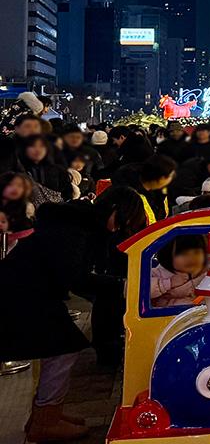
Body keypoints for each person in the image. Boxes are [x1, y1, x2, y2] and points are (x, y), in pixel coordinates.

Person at [0, 186, 150, 439]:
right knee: (63, 348)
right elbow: (75, 278)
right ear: (114, 210)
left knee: (64, 346)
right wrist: (123, 286)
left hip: (29, 291)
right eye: (124, 220)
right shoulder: (74, 229)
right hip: (22, 293)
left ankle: (46, 415)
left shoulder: (78, 223)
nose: (119, 228)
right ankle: (45, 420)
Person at [14, 135, 75, 201]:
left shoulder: (58, 170)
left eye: (42, 146)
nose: (37, 149)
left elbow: (68, 194)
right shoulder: (17, 170)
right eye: (32, 145)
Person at [134, 154, 177, 222]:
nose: (171, 179)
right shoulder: (134, 197)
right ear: (161, 179)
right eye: (170, 176)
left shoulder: (161, 190)